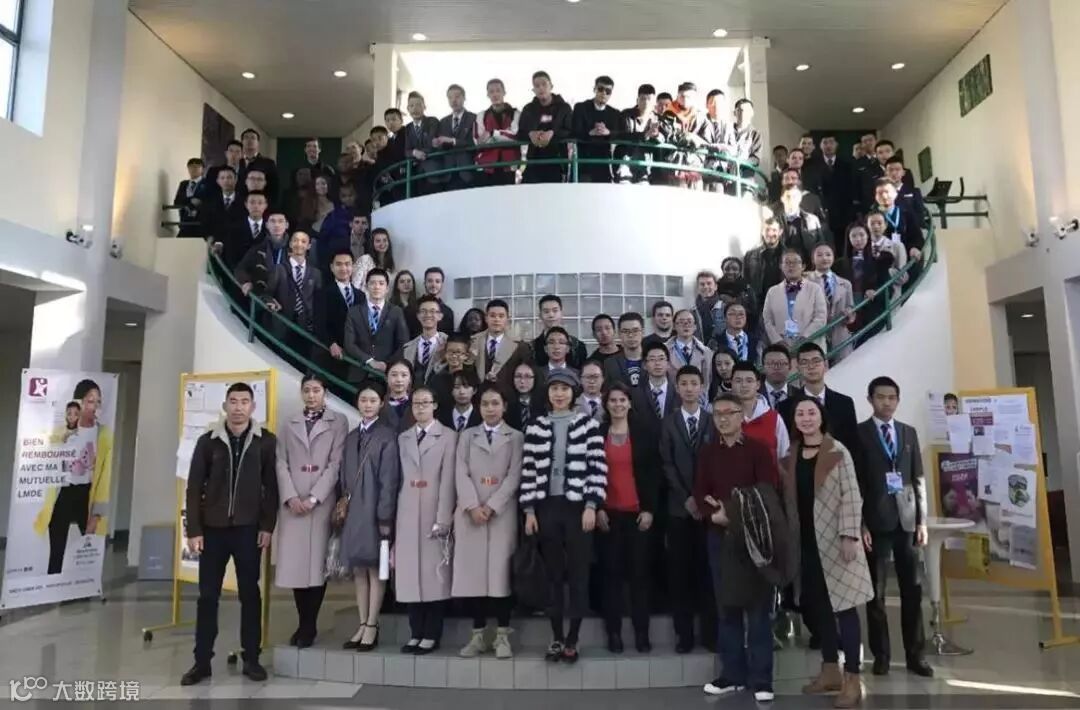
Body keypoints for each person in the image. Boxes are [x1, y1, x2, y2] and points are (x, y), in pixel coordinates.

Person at [181, 383, 277, 685]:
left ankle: (252, 659)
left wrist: (267, 526)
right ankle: (201, 662)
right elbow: (193, 487)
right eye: (233, 401)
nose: (238, 407)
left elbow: (272, 487)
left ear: (253, 407)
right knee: (208, 596)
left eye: (244, 401)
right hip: (212, 531)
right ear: (225, 406)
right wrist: (194, 530)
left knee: (250, 594)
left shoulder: (266, 442)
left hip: (249, 530)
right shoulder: (208, 441)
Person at [782, 398, 874, 708]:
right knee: (819, 608)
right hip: (807, 543)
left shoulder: (838, 451)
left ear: (821, 417)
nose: (806, 418)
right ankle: (830, 669)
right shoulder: (792, 454)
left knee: (845, 608)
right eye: (800, 414)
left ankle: (853, 678)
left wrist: (850, 534)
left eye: (811, 413)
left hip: (836, 541)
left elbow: (852, 495)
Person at [696, 393, 779, 701]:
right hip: (719, 538)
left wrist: (730, 511)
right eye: (717, 414)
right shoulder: (708, 452)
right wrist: (713, 515)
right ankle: (732, 674)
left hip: (754, 538)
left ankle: (762, 679)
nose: (722, 419)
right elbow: (700, 492)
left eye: (728, 413)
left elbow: (766, 491)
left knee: (758, 611)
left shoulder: (758, 450)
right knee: (726, 608)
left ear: (741, 414)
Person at [521, 369, 607, 663]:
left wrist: (591, 505)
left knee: (579, 574)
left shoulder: (588, 425)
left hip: (578, 508)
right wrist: (529, 510)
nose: (559, 394)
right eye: (554, 389)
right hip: (547, 507)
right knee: (553, 576)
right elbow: (529, 470)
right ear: (547, 393)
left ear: (574, 393)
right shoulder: (536, 426)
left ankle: (574, 637)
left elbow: (597, 468)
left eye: (565, 389)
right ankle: (556, 636)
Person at [858, 376, 933, 678]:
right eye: (880, 397)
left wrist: (922, 521)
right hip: (875, 522)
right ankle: (882, 655)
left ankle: (916, 655)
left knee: (912, 590)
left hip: (907, 521)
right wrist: (860, 523)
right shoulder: (859, 434)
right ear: (870, 399)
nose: (886, 402)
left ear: (898, 400)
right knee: (875, 594)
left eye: (892, 397)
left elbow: (918, 479)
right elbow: (856, 483)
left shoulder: (908, 432)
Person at [274, 374, 348, 649]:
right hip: (293, 503)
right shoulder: (289, 422)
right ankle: (302, 621)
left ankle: (309, 625)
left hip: (321, 502)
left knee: (317, 565)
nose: (311, 395)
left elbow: (336, 464)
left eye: (316, 390)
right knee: (296, 565)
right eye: (307, 390)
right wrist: (291, 496)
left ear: (325, 393)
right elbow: (281, 462)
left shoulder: (338, 421)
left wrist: (315, 497)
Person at [453, 384, 524, 659]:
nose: (490, 409)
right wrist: (472, 505)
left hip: (501, 514)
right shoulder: (467, 436)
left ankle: (502, 636)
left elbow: (514, 475)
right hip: (471, 515)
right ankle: (478, 635)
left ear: (504, 406)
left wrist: (492, 506)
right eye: (485, 404)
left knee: (500, 576)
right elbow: (460, 472)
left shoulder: (516, 437)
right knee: (474, 577)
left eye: (495, 403)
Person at [597, 382, 660, 653]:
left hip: (638, 516)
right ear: (606, 404)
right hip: (608, 516)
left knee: (639, 578)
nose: (618, 405)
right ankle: (613, 633)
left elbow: (654, 474)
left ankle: (641, 633)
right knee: (611, 578)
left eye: (622, 400)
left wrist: (649, 509)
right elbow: (591, 472)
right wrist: (597, 507)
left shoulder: (644, 433)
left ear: (630, 403)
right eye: (613, 400)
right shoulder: (598, 433)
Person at [394, 385, 457, 655]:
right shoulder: (403, 438)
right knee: (410, 576)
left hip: (434, 511)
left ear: (435, 406)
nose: (420, 407)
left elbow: (448, 481)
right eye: (416, 403)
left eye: (425, 403)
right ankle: (415, 632)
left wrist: (443, 518)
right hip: (408, 511)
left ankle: (431, 633)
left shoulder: (449, 437)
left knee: (434, 577)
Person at [340, 382, 401, 653]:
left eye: (373, 400)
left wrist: (385, 516)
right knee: (358, 569)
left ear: (381, 404)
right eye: (363, 400)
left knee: (375, 568)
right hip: (354, 511)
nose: (367, 405)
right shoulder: (351, 437)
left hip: (375, 511)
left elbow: (390, 481)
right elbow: (343, 475)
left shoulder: (387, 436)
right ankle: (362, 622)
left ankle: (373, 624)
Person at [659, 365, 716, 653]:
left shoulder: (712, 421)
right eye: (684, 384)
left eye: (694, 383)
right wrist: (686, 498)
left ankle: (710, 634)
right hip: (679, 509)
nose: (690, 388)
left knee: (708, 573)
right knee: (679, 573)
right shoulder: (668, 423)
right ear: (677, 388)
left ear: (702, 387)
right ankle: (684, 636)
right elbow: (666, 464)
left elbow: (716, 463)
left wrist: (701, 498)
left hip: (708, 509)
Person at [40, 380, 114, 575]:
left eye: (98, 402)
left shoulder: (104, 434)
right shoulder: (62, 432)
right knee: (56, 545)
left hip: (87, 495)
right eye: (90, 401)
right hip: (65, 491)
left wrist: (96, 515)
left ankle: (87, 585)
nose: (95, 407)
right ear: (78, 402)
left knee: (89, 548)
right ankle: (53, 580)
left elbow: (104, 478)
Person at [778, 343, 862, 464]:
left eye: (816, 361)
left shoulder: (844, 403)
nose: (811, 366)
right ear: (798, 368)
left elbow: (854, 446)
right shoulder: (786, 407)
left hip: (839, 467)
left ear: (825, 364)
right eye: (805, 362)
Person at [344, 268, 410, 382]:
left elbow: (403, 343)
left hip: (386, 373)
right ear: (366, 287)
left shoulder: (396, 311)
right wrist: (369, 361)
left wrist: (387, 364)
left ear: (387, 288)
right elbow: (349, 344)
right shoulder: (354, 312)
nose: (377, 287)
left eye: (381, 283)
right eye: (372, 283)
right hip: (359, 370)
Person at [763, 249, 828, 350]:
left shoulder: (815, 289)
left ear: (803, 266)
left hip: (810, 344)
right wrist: (778, 341)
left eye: (796, 262)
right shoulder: (772, 291)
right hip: (782, 347)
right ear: (781, 266)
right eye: (787, 262)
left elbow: (820, 317)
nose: (791, 266)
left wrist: (805, 338)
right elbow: (767, 320)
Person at [315, 249, 363, 380]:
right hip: (331, 354)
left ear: (353, 267)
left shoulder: (361, 296)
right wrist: (331, 343)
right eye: (339, 264)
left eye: (347, 264)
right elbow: (319, 324)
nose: (343, 268)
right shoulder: (323, 293)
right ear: (332, 267)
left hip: (354, 357)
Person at [517, 70, 573, 184]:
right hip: (533, 162)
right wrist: (530, 134)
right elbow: (520, 133)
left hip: (557, 162)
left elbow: (571, 131)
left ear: (551, 86)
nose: (541, 88)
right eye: (537, 86)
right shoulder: (528, 109)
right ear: (533, 90)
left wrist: (552, 133)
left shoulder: (564, 108)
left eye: (544, 84)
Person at [268, 231, 322, 345]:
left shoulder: (316, 273)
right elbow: (267, 293)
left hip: (305, 328)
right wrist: (271, 301)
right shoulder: (279, 269)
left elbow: (319, 302)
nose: (299, 244)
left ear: (309, 246)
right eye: (295, 240)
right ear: (290, 243)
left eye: (303, 241)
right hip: (282, 323)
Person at [732, 361, 790, 463]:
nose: (744, 385)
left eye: (749, 381)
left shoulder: (774, 419)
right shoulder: (722, 418)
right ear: (731, 384)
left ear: (758, 385)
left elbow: (785, 458)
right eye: (738, 381)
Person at [807, 243, 855, 361]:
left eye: (828, 255)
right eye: (819, 255)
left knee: (844, 367)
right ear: (813, 259)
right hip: (816, 335)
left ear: (833, 257)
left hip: (840, 334)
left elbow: (851, 308)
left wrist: (849, 314)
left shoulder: (846, 284)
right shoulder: (805, 283)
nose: (824, 258)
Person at [470, 299, 531, 390]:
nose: (497, 319)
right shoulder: (474, 341)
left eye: (501, 316)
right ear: (486, 318)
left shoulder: (519, 345)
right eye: (492, 316)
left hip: (508, 394)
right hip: (479, 394)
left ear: (507, 319)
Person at [572, 75, 622, 183]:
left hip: (604, 164)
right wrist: (590, 133)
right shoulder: (580, 108)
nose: (604, 93)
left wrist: (608, 132)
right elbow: (574, 131)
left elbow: (620, 134)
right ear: (594, 89)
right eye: (600, 89)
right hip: (583, 163)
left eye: (608, 91)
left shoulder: (614, 113)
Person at [475, 78, 522, 187]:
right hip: (487, 167)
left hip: (510, 165)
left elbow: (515, 136)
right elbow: (479, 140)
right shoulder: (481, 115)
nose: (495, 94)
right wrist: (504, 135)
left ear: (504, 92)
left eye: (498, 90)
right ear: (487, 94)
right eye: (491, 91)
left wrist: (492, 134)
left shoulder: (515, 113)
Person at [433, 83, 478, 191]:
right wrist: (436, 143)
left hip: (468, 171)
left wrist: (453, 141)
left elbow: (475, 142)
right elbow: (441, 147)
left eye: (457, 96)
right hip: (448, 174)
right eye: (450, 97)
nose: (454, 100)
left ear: (464, 98)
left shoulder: (474, 118)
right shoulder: (443, 122)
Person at [616, 83, 660, 184]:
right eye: (643, 99)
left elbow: (664, 138)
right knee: (624, 186)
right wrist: (645, 135)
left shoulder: (658, 119)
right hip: (625, 162)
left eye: (649, 99)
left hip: (645, 165)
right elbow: (622, 135)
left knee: (643, 186)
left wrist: (656, 135)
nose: (646, 102)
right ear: (637, 100)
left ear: (654, 103)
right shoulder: (626, 115)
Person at [399, 295, 448, 385]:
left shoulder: (448, 344)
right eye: (423, 311)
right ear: (418, 316)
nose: (428, 315)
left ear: (440, 316)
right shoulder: (408, 348)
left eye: (432, 311)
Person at [217, 190, 269, 272]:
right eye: (252, 202)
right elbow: (230, 257)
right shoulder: (233, 229)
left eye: (260, 203)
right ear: (246, 205)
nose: (256, 206)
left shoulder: (271, 229)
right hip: (237, 274)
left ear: (265, 206)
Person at [532, 295, 588, 369]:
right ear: (540, 315)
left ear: (561, 313)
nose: (551, 315)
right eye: (546, 312)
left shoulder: (577, 346)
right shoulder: (532, 348)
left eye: (555, 311)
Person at [403, 91, 442, 194]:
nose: (415, 109)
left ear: (424, 107)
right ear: (408, 109)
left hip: (433, 170)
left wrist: (420, 152)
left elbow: (431, 144)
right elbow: (406, 151)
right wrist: (414, 152)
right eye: (411, 106)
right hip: (417, 173)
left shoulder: (432, 121)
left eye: (418, 105)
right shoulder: (407, 128)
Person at [666, 308, 713, 394]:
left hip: (697, 398)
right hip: (672, 398)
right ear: (674, 326)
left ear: (695, 326)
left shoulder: (706, 352)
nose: (686, 325)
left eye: (689, 321)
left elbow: (707, 380)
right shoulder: (664, 350)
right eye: (681, 322)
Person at [817, 134, 853, 244]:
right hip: (819, 212)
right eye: (825, 143)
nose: (828, 145)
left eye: (831, 142)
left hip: (842, 213)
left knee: (841, 244)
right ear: (820, 146)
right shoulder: (813, 165)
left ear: (837, 145)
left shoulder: (847, 165)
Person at [430, 334, 477, 413]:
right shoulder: (437, 379)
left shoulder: (472, 378)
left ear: (466, 356)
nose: (454, 356)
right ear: (445, 354)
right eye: (450, 352)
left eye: (458, 352)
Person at [745, 218, 786, 309]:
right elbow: (746, 281)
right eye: (767, 230)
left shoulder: (789, 254)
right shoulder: (750, 255)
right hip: (758, 304)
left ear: (780, 232)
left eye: (774, 230)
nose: (770, 233)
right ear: (762, 232)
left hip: (783, 301)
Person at [201, 165, 245, 251]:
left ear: (236, 179)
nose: (226, 181)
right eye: (222, 178)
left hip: (239, 246)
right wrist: (210, 238)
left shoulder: (245, 201)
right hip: (215, 245)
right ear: (218, 181)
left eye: (229, 177)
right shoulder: (210, 202)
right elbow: (205, 224)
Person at [697, 88, 731, 192]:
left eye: (719, 103)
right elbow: (698, 143)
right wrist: (720, 147)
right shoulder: (700, 121)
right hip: (702, 170)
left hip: (721, 172)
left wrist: (712, 146)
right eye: (712, 102)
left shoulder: (728, 126)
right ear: (706, 105)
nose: (716, 106)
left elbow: (732, 149)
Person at [726, 98, 763, 193]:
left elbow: (756, 158)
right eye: (740, 110)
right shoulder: (727, 129)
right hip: (725, 175)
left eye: (746, 110)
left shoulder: (755, 134)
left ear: (752, 113)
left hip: (745, 177)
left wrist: (740, 162)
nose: (743, 113)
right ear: (735, 113)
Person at [716, 257, 759, 334]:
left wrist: (735, 303)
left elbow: (754, 312)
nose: (731, 272)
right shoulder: (716, 287)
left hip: (744, 330)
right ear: (722, 270)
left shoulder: (747, 288)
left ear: (740, 271)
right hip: (721, 330)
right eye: (727, 269)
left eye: (735, 269)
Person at [603, 312, 646, 387]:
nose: (630, 335)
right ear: (619, 334)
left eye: (635, 330)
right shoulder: (610, 364)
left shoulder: (653, 360)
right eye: (625, 331)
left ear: (643, 332)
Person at [239, 128, 279, 204]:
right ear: (242, 142)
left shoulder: (268, 163)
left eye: (253, 138)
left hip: (260, 205)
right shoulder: (237, 162)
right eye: (246, 138)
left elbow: (274, 189)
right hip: (239, 204)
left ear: (258, 143)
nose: (249, 140)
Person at [174, 157, 207, 237]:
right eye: (191, 167)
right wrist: (190, 200)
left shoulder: (208, 183)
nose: (194, 169)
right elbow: (177, 202)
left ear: (202, 169)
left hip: (201, 224)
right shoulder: (183, 184)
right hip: (185, 223)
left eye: (197, 166)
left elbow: (207, 200)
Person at [506, 362, 542, 432]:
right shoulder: (507, 405)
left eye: (527, 376)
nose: (522, 381)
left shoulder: (543, 405)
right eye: (518, 376)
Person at [381, 360, 416, 433]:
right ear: (386, 378)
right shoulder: (379, 403)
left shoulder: (419, 403)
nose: (399, 380)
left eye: (404, 375)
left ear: (410, 379)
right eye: (394, 375)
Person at [760, 344, 797, 408]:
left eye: (781, 363)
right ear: (763, 367)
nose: (776, 367)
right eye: (771, 363)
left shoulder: (799, 395)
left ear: (790, 366)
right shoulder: (754, 394)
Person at [693, 270, 723, 345]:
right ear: (698, 288)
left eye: (709, 283)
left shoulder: (725, 309)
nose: (706, 287)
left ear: (715, 287)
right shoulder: (692, 311)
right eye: (702, 284)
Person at [423, 267, 455, 335]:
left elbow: (449, 338)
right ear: (424, 283)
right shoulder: (412, 308)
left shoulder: (448, 312)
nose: (433, 285)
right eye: (430, 281)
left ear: (442, 285)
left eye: (437, 281)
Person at [391, 270, 420, 338]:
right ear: (397, 285)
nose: (406, 284)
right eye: (402, 281)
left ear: (413, 284)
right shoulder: (390, 305)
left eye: (409, 281)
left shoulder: (419, 304)